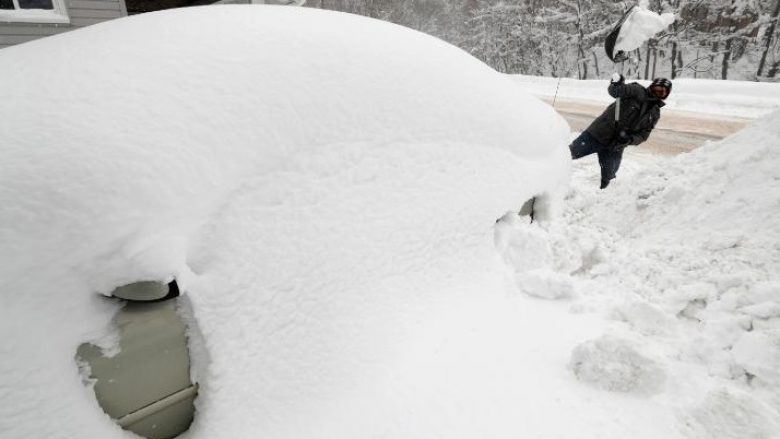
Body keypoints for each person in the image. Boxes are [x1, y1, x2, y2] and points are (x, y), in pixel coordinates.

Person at [569, 74, 672, 189]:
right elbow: (615, 92)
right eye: (657, 88)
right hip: (596, 135)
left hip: (616, 146)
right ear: (652, 86)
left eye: (663, 91)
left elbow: (643, 135)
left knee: (610, 181)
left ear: (666, 94)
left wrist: (629, 139)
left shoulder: (655, 113)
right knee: (566, 155)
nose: (658, 92)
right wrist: (616, 83)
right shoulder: (636, 90)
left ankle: (602, 202)